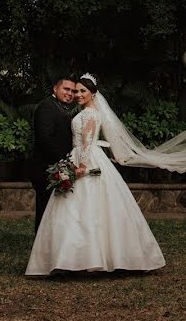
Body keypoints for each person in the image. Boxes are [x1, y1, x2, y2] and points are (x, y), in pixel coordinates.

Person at [25, 73, 166, 274]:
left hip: (86, 159)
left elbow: (88, 141)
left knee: (89, 210)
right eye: (75, 91)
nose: (77, 94)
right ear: (55, 89)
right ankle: (72, 257)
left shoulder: (90, 114)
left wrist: (81, 166)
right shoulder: (70, 110)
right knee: (77, 211)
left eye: (82, 91)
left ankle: (87, 258)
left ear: (93, 94)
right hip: (75, 158)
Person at [30, 76, 76, 234]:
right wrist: (64, 162)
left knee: (54, 212)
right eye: (66, 89)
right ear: (55, 89)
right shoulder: (47, 107)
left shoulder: (60, 107)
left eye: (73, 90)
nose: (70, 93)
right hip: (46, 169)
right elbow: (45, 139)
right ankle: (40, 247)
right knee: (44, 211)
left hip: (56, 167)